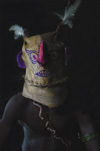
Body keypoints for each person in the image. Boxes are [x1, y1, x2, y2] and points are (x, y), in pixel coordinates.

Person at [0, 0, 100, 151]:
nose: (44, 62)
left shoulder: (72, 99)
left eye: (52, 56)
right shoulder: (19, 103)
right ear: (24, 61)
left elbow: (89, 132)